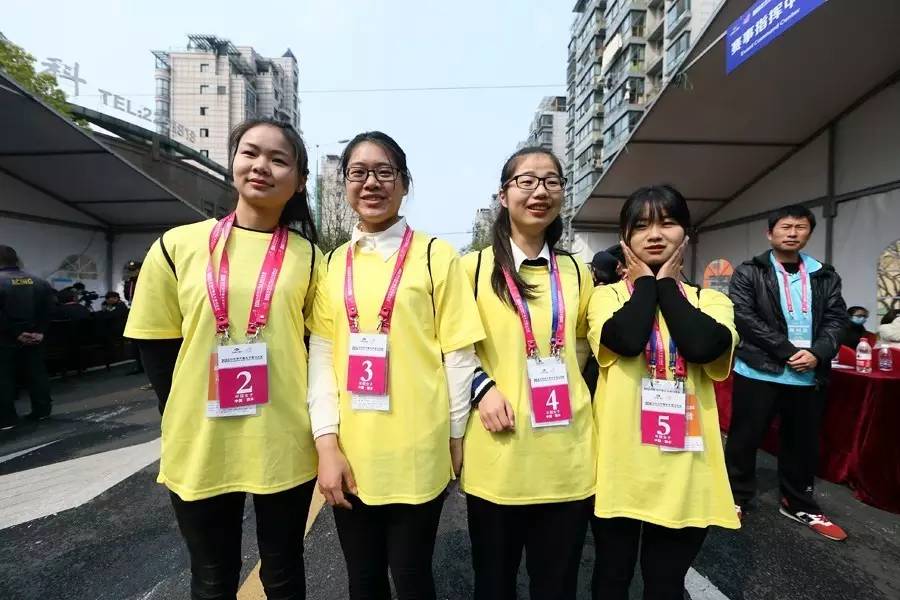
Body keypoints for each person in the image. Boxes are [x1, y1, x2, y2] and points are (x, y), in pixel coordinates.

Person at [124, 117, 322, 599]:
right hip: (202, 440)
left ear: (299, 181)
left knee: (283, 573)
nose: (261, 166)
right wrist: (185, 411)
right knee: (212, 577)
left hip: (284, 438)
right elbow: (155, 345)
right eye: (250, 153)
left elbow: (319, 347)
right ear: (232, 162)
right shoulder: (177, 246)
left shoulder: (311, 257)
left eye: (279, 159)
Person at [306, 131, 485, 600]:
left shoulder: (435, 255)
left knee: (412, 577)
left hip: (418, 450)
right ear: (345, 183)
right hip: (351, 451)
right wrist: (326, 443)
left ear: (404, 183)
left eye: (384, 172)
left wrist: (454, 436)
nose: (371, 183)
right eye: (358, 172)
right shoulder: (333, 263)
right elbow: (322, 355)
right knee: (363, 580)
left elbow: (458, 355)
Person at [587, 185, 739, 600]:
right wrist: (644, 285)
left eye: (667, 223)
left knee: (665, 584)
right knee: (611, 578)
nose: (654, 234)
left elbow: (703, 346)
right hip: (619, 467)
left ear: (686, 233)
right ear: (625, 239)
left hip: (686, 469)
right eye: (641, 226)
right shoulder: (605, 297)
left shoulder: (711, 301)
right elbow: (626, 339)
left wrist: (667, 285)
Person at [460, 147, 595, 600]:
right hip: (499, 456)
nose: (540, 191)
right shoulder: (472, 269)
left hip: (566, 458)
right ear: (503, 195)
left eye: (551, 181)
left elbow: (582, 344)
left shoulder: (577, 272)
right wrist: (481, 388)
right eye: (527, 181)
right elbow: (452, 347)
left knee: (556, 587)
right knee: (493, 585)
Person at [725, 204, 848, 541]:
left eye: (800, 227)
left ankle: (798, 502)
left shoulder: (824, 274)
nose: (792, 233)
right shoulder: (750, 271)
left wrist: (819, 352)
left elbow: (837, 319)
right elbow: (743, 316)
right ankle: (735, 496)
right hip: (759, 370)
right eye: (785, 227)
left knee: (802, 442)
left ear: (809, 233)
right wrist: (786, 350)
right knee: (744, 438)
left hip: (808, 373)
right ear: (770, 233)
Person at [0, 245, 55, 428]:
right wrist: (40, 331)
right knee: (37, 374)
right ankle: (42, 411)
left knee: (4, 378)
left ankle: (6, 419)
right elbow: (49, 310)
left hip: (5, 339)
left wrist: (16, 333)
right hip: (35, 338)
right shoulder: (40, 282)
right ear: (16, 259)